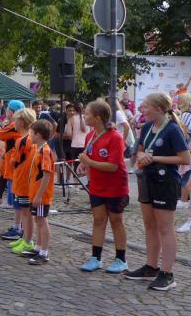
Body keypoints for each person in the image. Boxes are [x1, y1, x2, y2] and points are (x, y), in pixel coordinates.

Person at [123, 92, 190, 290]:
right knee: (149, 225)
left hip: (165, 181)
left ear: (158, 109)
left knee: (165, 228)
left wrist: (155, 158)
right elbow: (140, 150)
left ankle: (168, 274)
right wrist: (141, 155)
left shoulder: (172, 129)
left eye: (146, 106)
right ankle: (151, 267)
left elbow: (185, 159)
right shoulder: (146, 127)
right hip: (147, 178)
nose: (142, 110)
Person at [75, 100, 129, 273]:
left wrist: (89, 162)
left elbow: (113, 166)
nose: (84, 116)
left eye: (87, 114)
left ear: (97, 118)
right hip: (97, 186)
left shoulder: (115, 137)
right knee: (98, 220)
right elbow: (88, 159)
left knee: (116, 221)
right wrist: (83, 165)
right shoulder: (90, 136)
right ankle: (95, 258)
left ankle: (121, 259)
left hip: (115, 187)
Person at [19, 119, 56, 265]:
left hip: (41, 195)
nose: (30, 136)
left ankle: (44, 253)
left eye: (32, 133)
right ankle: (38, 248)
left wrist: (39, 195)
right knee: (38, 220)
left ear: (39, 135)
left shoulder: (45, 151)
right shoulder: (40, 149)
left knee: (42, 221)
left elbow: (46, 175)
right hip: (35, 193)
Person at [6, 108, 37, 254]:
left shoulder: (23, 140)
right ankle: (25, 237)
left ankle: (28, 241)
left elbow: (15, 160)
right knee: (25, 212)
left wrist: (11, 159)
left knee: (26, 212)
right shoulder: (28, 139)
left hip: (23, 181)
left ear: (22, 122)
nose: (14, 122)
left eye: (16, 119)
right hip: (23, 180)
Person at [0, 100, 25, 219]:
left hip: (13, 162)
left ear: (11, 112)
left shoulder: (13, 126)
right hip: (9, 161)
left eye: (7, 109)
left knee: (15, 191)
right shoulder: (11, 125)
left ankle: (18, 221)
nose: (6, 110)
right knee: (3, 184)